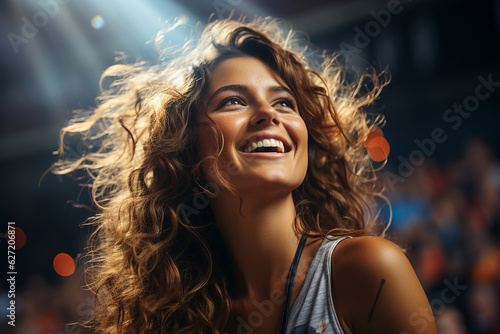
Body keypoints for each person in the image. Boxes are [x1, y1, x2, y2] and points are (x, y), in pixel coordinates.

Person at [52, 17, 437, 334]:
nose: (268, 114)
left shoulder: (367, 270)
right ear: (186, 148)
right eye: (233, 101)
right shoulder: (174, 315)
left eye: (284, 102)